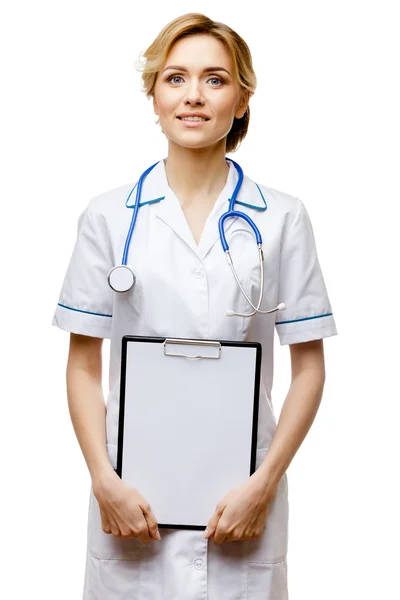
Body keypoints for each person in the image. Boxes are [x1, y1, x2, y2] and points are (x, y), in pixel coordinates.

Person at [52, 12, 338, 600]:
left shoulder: (281, 217)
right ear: (154, 96)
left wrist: (263, 486)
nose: (193, 96)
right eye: (175, 79)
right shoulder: (109, 216)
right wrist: (104, 482)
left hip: (240, 497)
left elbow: (309, 369)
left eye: (215, 79)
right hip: (132, 497)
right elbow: (82, 365)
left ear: (241, 100)